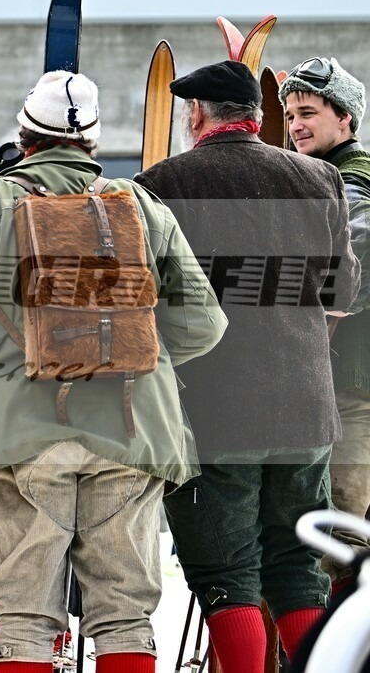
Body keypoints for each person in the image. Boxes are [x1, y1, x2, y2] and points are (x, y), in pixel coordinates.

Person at [0, 69, 227, 673]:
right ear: (91, 144)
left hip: (20, 431)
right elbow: (205, 326)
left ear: (26, 137)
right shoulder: (140, 205)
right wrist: (131, 353)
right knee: (125, 617)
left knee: (26, 617)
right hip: (132, 428)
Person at [135, 60, 361, 672]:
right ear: (259, 118)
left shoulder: (163, 184)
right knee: (297, 570)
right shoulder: (320, 178)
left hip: (213, 411)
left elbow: (144, 299)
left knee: (226, 573)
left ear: (196, 115)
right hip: (306, 408)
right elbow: (340, 294)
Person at [280, 57, 370, 597]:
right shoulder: (325, 182)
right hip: (342, 385)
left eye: (309, 112)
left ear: (347, 121)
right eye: (290, 115)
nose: (295, 126)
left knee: (341, 540)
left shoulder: (351, 188)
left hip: (350, 389)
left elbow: (345, 282)